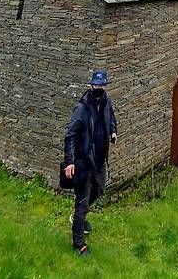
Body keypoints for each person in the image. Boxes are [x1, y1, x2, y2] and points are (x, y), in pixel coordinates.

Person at [63, 69, 117, 257]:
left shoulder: (107, 101)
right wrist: (70, 161)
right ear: (91, 85)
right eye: (97, 85)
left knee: (100, 189)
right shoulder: (82, 108)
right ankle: (78, 243)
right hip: (84, 161)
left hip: (99, 159)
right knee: (83, 202)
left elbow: (112, 118)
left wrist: (113, 131)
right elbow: (70, 135)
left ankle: (79, 215)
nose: (99, 89)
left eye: (102, 86)